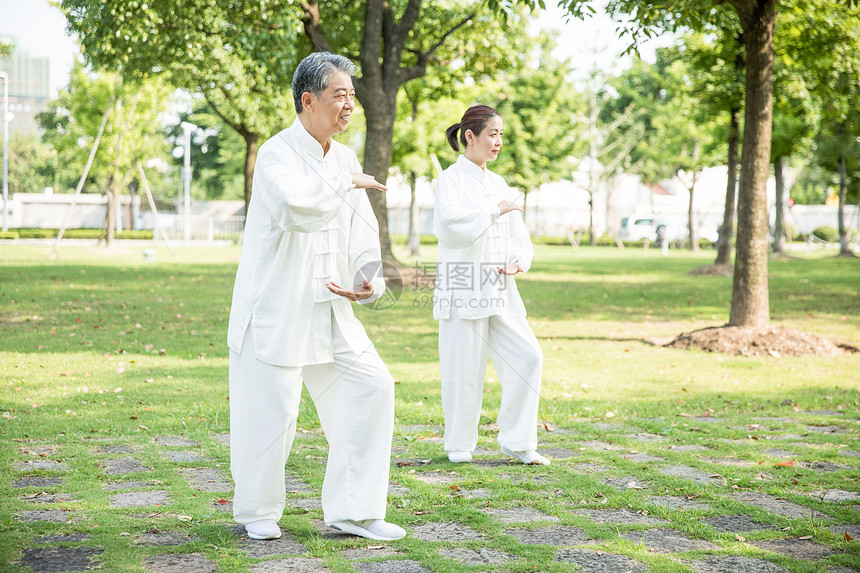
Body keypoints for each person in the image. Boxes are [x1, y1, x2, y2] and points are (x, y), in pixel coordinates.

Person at [227, 52, 405, 542]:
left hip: (330, 306)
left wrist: (369, 280)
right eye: (339, 96)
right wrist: (344, 181)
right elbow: (293, 207)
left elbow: (363, 231)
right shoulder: (277, 153)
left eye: (352, 96)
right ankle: (258, 511)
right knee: (273, 412)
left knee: (372, 387)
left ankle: (354, 511)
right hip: (278, 307)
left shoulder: (345, 158)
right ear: (308, 100)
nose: (350, 105)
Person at [433, 104, 549, 466]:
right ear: (470, 137)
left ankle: (517, 441)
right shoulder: (449, 182)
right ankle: (459, 443)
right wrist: (493, 211)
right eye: (492, 134)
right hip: (463, 283)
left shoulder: (498, 183)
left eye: (501, 134)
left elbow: (517, 233)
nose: (499, 141)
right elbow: (450, 229)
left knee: (528, 356)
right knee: (463, 368)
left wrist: (518, 260)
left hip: (499, 287)